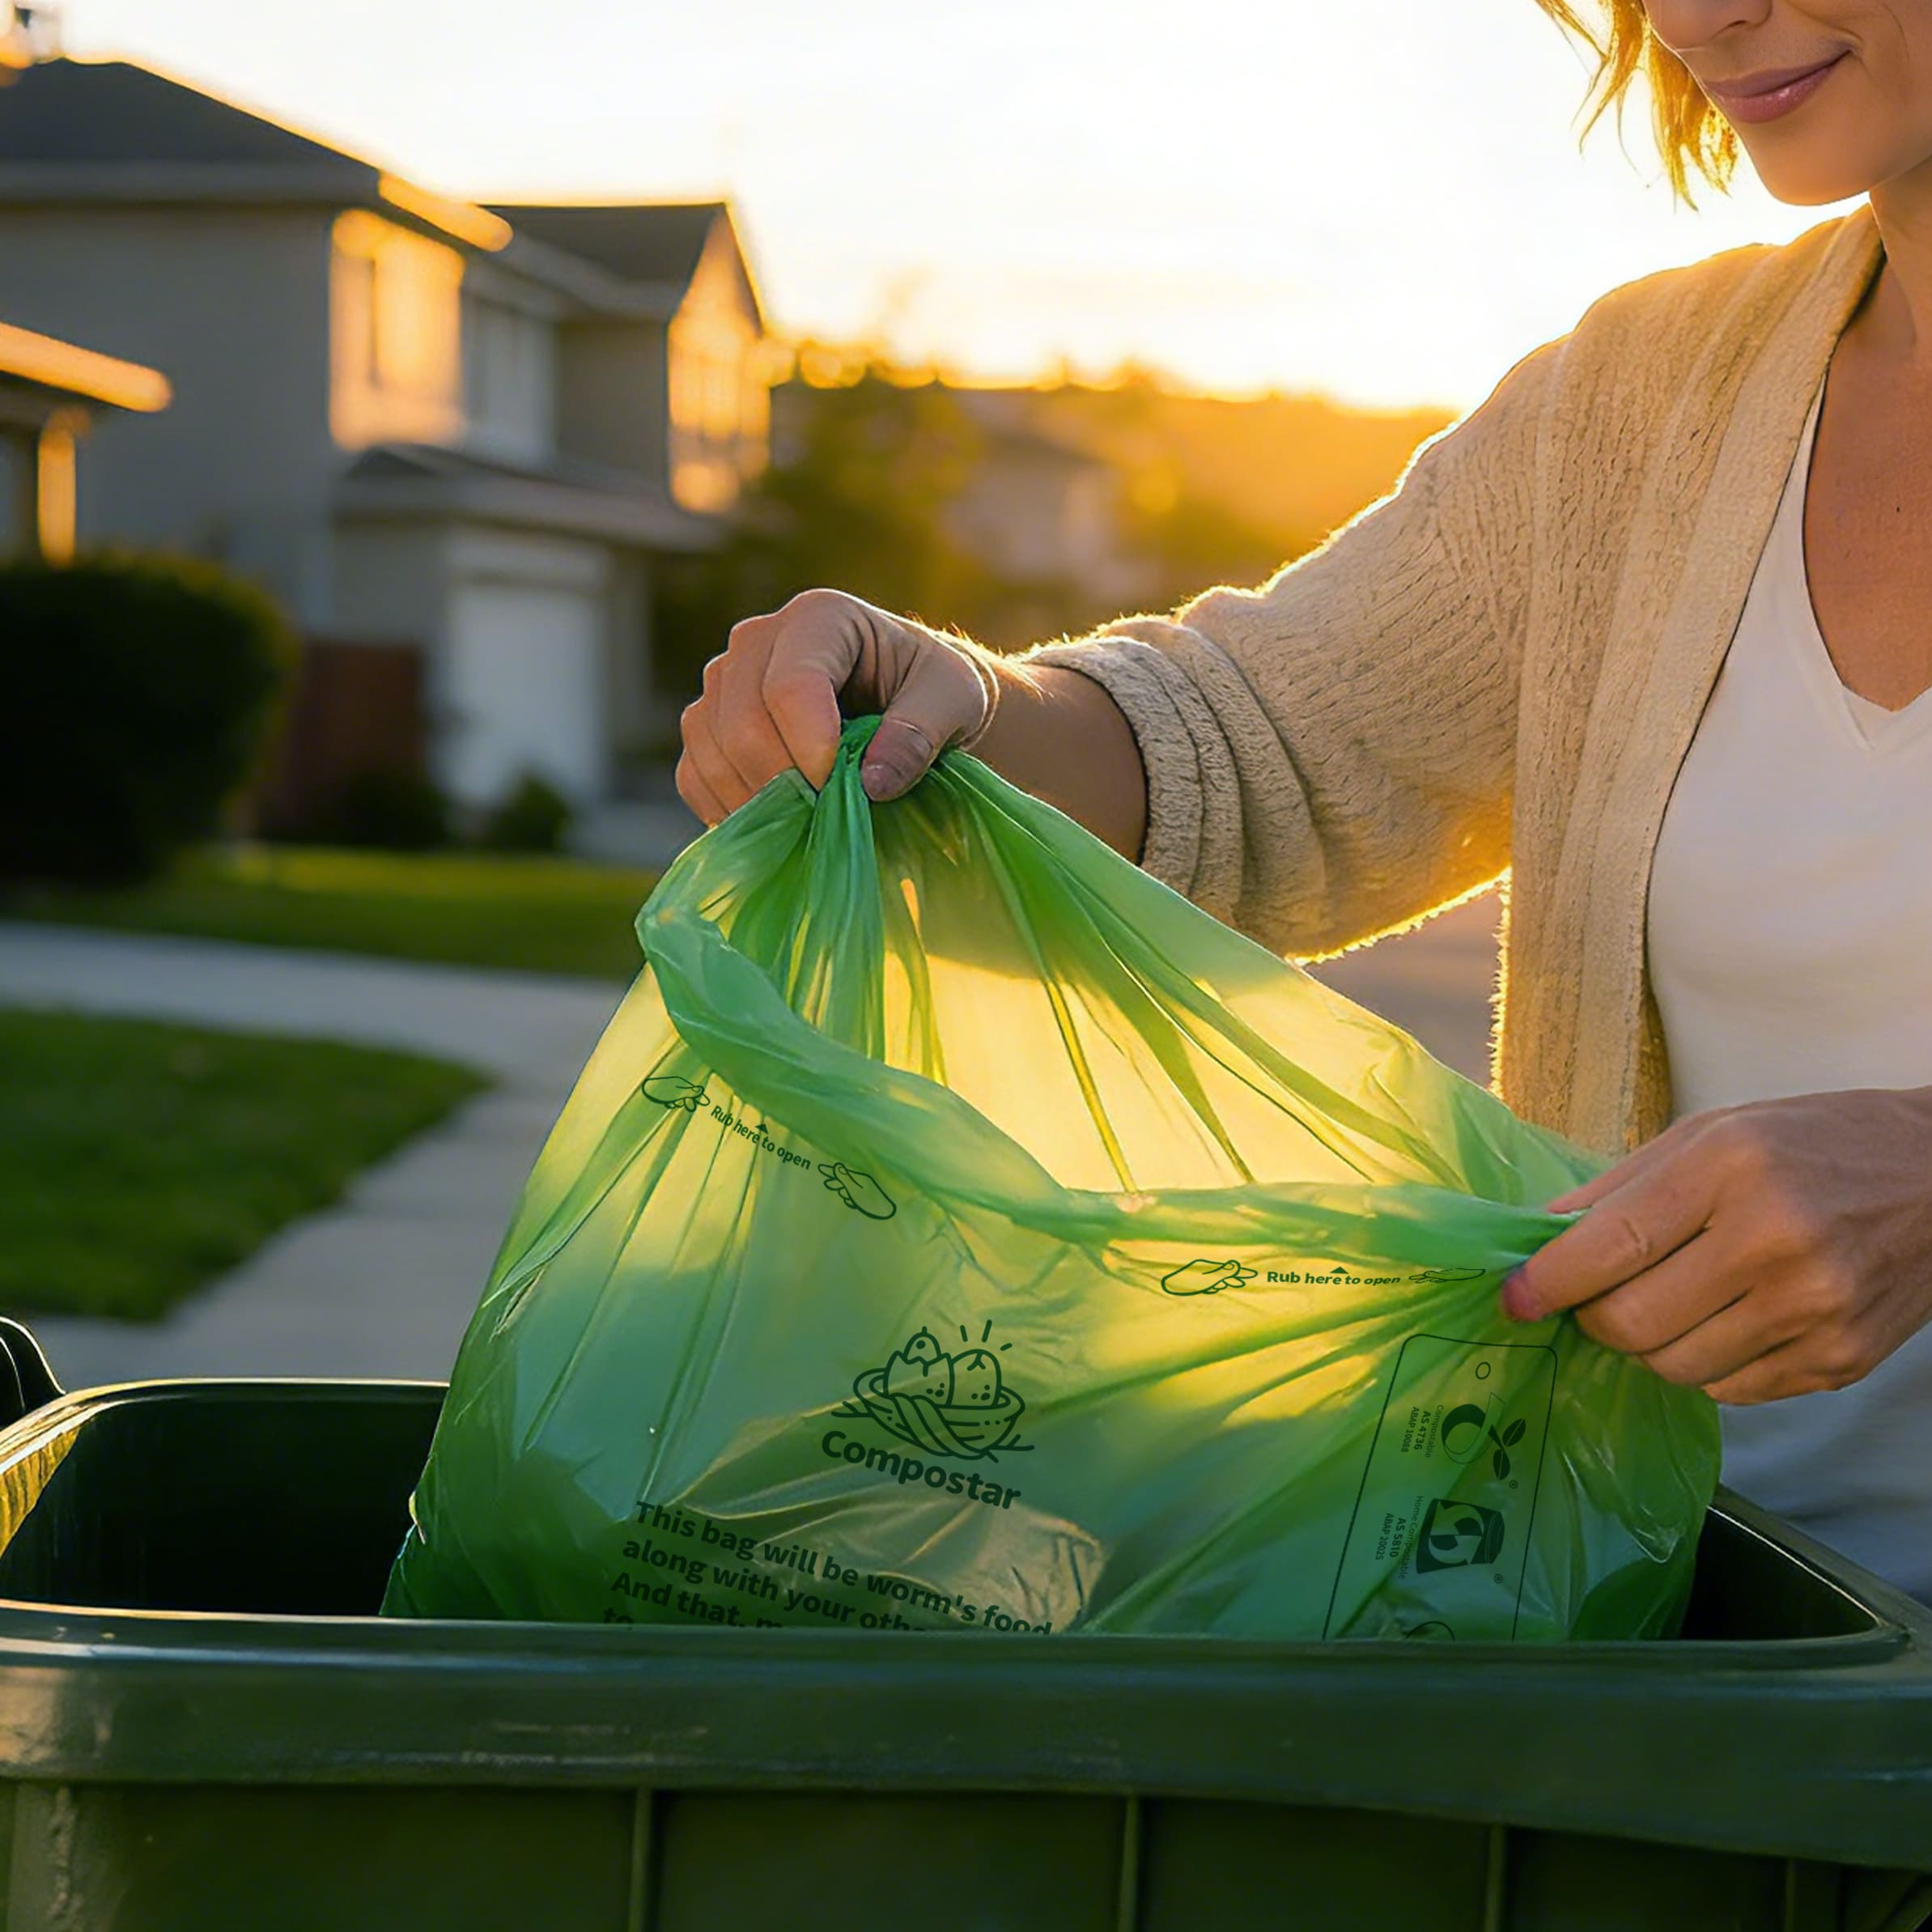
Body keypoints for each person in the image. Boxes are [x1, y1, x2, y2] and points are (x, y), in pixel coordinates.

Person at [677, 2, 1932, 1599]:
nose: (1692, 15)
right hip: (1696, 1666)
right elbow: (1258, 744)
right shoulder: (1646, 404)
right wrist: (954, 704)